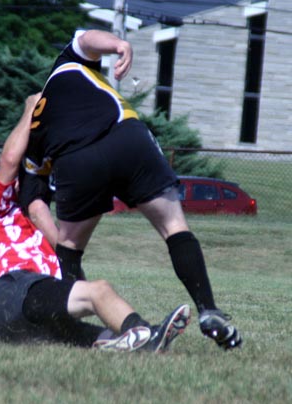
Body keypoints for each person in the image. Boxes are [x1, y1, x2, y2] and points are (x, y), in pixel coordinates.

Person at [20, 29, 242, 350]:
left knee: (69, 247)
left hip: (77, 161)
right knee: (174, 226)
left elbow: (36, 206)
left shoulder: (32, 137)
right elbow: (86, 39)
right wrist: (120, 45)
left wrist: (61, 245)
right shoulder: (65, 67)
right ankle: (208, 310)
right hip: (126, 137)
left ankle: (72, 324)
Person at [0, 93, 190, 352]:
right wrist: (30, 110)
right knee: (98, 291)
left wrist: (43, 213)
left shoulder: (45, 231)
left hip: (30, 314)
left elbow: (70, 274)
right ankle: (146, 333)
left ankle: (148, 340)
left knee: (94, 334)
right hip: (8, 292)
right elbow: (9, 160)